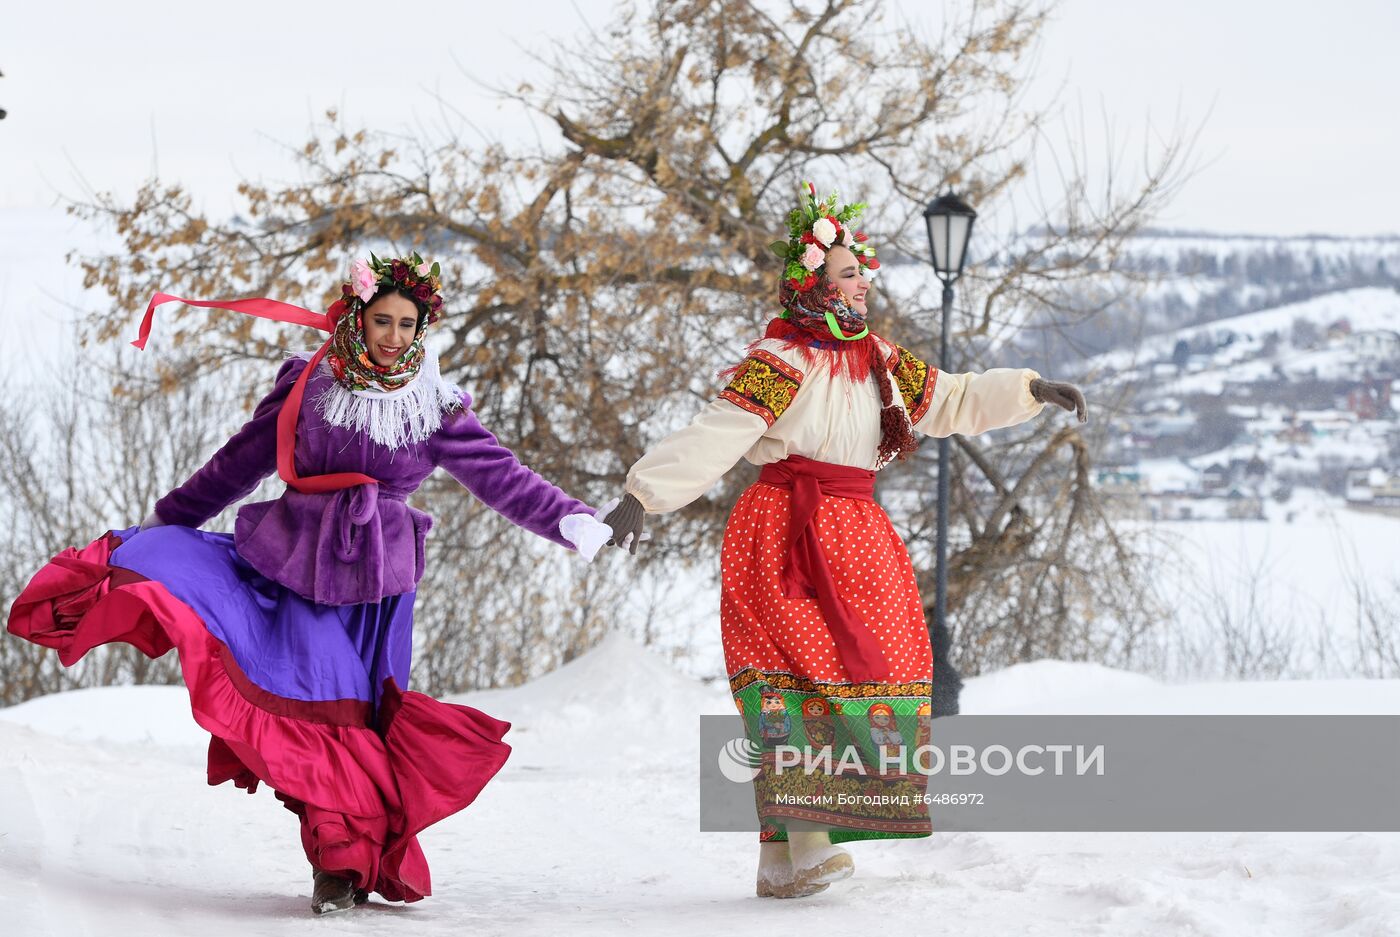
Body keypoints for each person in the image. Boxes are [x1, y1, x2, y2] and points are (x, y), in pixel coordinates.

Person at [7, 253, 618, 915]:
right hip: (295, 572)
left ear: (421, 329)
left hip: (378, 593)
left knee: (360, 724)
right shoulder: (309, 385)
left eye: (406, 324)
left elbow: (504, 479)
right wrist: (166, 521)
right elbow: (235, 465)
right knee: (322, 715)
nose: (393, 336)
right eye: (381, 320)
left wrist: (572, 520)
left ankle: (350, 860)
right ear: (356, 316)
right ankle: (337, 867)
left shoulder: (435, 408)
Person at [603, 183, 1087, 899]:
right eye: (848, 272)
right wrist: (643, 493)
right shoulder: (781, 360)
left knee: (879, 668)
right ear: (813, 284)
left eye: (862, 271)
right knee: (794, 680)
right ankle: (808, 835)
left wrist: (1029, 390)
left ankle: (779, 858)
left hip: (858, 534)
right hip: (783, 530)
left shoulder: (878, 359)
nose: (862, 283)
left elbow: (950, 398)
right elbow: (720, 432)